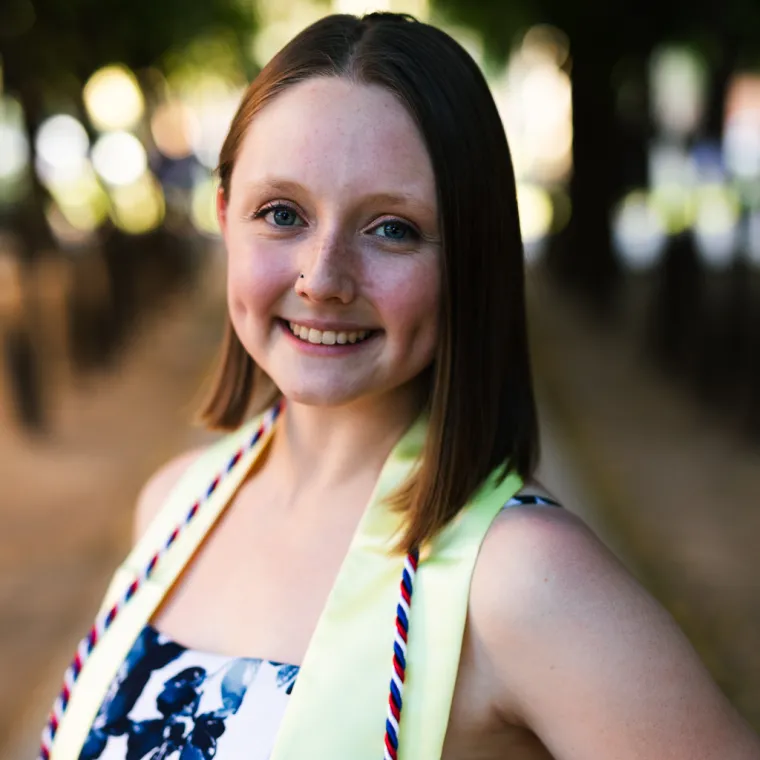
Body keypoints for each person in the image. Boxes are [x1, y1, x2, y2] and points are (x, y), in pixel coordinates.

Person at [40, 12, 760, 760]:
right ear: (226, 217)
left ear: (471, 258)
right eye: (281, 214)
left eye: (392, 228)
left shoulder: (523, 581)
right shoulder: (171, 506)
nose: (322, 280)